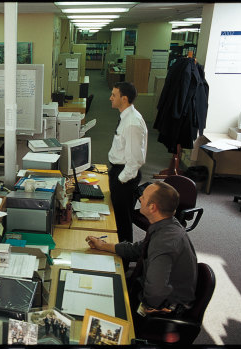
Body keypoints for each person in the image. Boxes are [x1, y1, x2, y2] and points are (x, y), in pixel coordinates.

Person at [85, 181, 197, 333]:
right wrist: (103, 245)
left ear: (152, 207)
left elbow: (155, 294)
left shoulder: (164, 243)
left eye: (143, 197)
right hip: (155, 289)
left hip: (163, 309)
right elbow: (139, 249)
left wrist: (128, 303)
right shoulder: (167, 224)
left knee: (98, 307)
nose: (139, 199)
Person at [108, 81, 148, 244]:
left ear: (124, 99)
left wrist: (120, 180)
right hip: (119, 172)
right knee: (118, 218)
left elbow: (135, 159)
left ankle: (124, 262)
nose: (110, 98)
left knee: (123, 221)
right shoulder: (126, 117)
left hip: (125, 176)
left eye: (114, 95)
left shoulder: (132, 123)